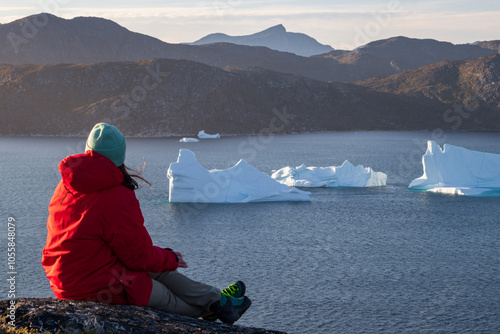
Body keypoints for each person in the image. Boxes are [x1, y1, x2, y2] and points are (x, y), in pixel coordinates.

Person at [41, 123, 251, 324]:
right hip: (97, 289)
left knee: (163, 271)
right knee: (181, 305)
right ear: (119, 157)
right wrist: (170, 257)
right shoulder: (116, 196)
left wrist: (167, 258)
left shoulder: (66, 185)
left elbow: (132, 253)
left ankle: (219, 299)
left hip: (68, 280)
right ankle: (216, 306)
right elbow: (139, 258)